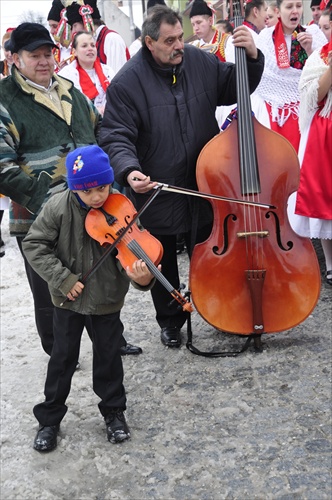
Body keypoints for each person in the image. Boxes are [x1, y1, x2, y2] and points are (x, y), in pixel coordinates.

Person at [99, 5, 264, 348]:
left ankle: (220, 310)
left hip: (204, 182)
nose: (179, 46)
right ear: (149, 42)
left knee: (211, 251)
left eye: (181, 37)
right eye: (170, 40)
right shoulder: (127, 83)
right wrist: (129, 171)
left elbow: (235, 85)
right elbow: (116, 134)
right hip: (158, 185)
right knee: (162, 256)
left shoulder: (198, 61)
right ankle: (171, 320)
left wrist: (250, 55)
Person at [0, 22, 139, 357]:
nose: (44, 61)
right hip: (39, 212)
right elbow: (2, 165)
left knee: (102, 275)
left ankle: (111, 340)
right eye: (35, 55)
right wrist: (44, 198)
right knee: (50, 286)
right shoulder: (5, 98)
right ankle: (61, 353)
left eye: (49, 53)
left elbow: (100, 129)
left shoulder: (68, 88)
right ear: (14, 58)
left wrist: (113, 174)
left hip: (93, 206)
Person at [22, 145, 155, 452]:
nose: (97, 197)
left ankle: (114, 413)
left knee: (109, 359)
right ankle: (49, 419)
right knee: (62, 360)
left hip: (107, 299)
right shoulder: (58, 207)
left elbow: (136, 251)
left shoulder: (121, 206)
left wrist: (143, 278)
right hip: (67, 300)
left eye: (103, 187)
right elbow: (34, 245)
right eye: (88, 191)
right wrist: (63, 278)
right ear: (74, 187)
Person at [287, 10, 332, 286]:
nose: (328, 32)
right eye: (326, 27)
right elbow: (313, 96)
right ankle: (330, 264)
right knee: (325, 200)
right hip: (324, 133)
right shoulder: (320, 57)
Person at [254, 0, 327, 152]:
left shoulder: (314, 33)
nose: (295, 11)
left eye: (299, 6)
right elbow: (262, 76)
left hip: (307, 112)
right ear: (277, 11)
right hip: (275, 112)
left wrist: (309, 50)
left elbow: (322, 74)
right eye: (289, 7)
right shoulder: (265, 38)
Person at [64, 0, 130, 75]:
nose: (73, 31)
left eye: (74, 26)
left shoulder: (111, 39)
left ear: (87, 21)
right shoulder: (97, 40)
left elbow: (116, 79)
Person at [59, 31, 115, 115]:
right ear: (74, 52)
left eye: (93, 45)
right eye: (84, 46)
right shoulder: (66, 75)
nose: (90, 48)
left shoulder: (107, 71)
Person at [47, 0, 74, 71]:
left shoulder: (80, 49)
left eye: (55, 26)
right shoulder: (52, 51)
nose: (51, 31)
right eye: (50, 26)